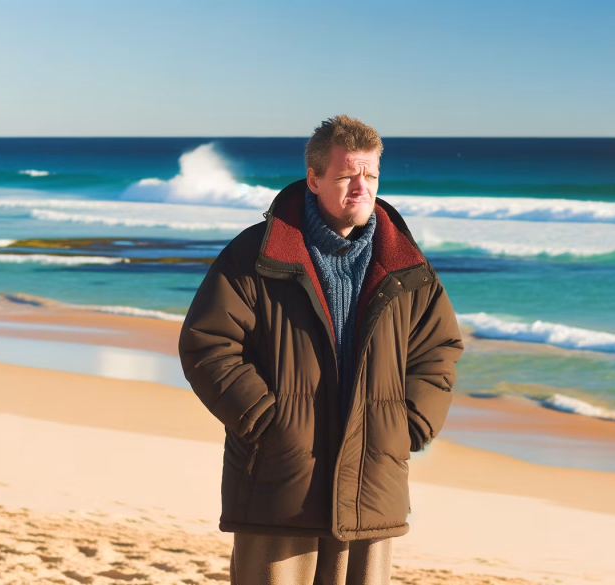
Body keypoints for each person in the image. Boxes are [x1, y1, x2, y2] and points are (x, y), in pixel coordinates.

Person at [179, 115, 464, 584]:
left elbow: (438, 348)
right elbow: (207, 342)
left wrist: (410, 422)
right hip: (279, 483)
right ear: (313, 179)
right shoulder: (257, 254)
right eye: (347, 175)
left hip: (370, 487)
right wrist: (264, 421)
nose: (361, 187)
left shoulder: (406, 264)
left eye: (370, 175)